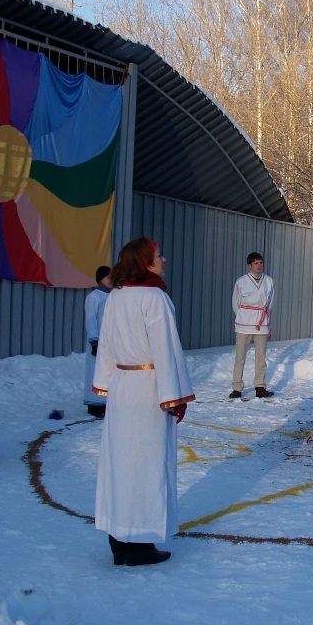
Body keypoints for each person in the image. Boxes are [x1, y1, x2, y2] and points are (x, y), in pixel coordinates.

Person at [92, 237, 194, 567]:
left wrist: (106, 383)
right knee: (146, 465)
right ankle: (138, 544)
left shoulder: (116, 296)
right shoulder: (154, 297)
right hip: (149, 389)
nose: (164, 259)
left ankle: (119, 539)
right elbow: (166, 349)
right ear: (144, 262)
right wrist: (174, 396)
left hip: (122, 387)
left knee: (121, 464)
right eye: (158, 255)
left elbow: (106, 345)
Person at [230, 252, 275, 399]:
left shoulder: (269, 281)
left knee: (261, 358)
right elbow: (235, 303)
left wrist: (261, 315)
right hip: (244, 324)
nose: (259, 265)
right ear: (249, 265)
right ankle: (237, 387)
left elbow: (270, 302)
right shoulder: (241, 282)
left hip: (261, 324)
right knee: (240, 357)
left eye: (260, 262)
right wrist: (244, 315)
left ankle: (260, 387)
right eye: (256, 263)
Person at [84, 266, 113, 417]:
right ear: (100, 279)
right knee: (95, 372)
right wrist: (94, 341)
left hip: (110, 342)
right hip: (97, 342)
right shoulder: (94, 297)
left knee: (108, 373)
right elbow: (91, 320)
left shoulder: (114, 296)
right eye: (108, 277)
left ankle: (106, 402)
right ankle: (94, 404)